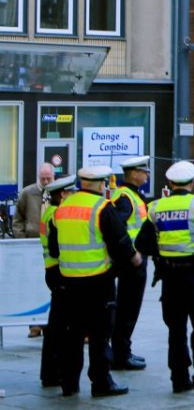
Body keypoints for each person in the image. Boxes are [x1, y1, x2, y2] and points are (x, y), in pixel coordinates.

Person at [51, 165, 141, 398]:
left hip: (69, 283)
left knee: (73, 336)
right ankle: (101, 382)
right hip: (98, 282)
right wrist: (134, 258)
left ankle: (69, 384)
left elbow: (53, 246)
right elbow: (119, 240)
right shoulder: (102, 207)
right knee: (100, 336)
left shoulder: (62, 208)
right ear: (102, 184)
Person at [136, 161, 194, 394]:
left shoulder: (155, 207)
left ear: (170, 183)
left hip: (170, 277)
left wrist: (162, 253)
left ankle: (179, 379)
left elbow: (141, 243)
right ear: (192, 183)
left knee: (176, 330)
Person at [109, 156, 151, 370]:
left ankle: (122, 351)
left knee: (127, 307)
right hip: (131, 261)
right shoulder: (125, 197)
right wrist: (131, 253)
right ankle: (121, 354)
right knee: (128, 308)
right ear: (134, 174)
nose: (147, 173)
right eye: (144, 170)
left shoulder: (131, 195)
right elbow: (117, 228)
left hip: (133, 258)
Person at [38, 173, 76, 388]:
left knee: (56, 325)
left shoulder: (48, 213)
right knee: (60, 326)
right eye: (71, 192)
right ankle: (54, 373)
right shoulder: (57, 215)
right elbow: (56, 247)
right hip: (59, 272)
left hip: (50, 270)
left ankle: (51, 372)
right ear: (62, 194)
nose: (73, 195)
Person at [17, 162, 55, 339]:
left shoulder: (57, 193)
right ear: (38, 177)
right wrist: (22, 240)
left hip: (51, 246)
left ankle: (48, 323)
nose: (46, 181)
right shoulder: (27, 193)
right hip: (32, 244)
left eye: (49, 178)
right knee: (33, 284)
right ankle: (34, 325)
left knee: (50, 284)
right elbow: (18, 219)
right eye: (43, 178)